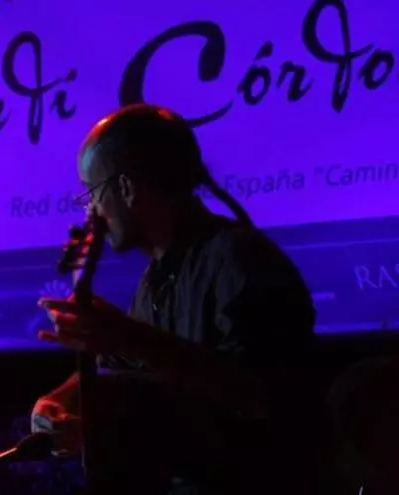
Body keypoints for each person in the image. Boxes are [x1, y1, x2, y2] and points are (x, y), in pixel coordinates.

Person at [31, 104, 330, 494]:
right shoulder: (157, 279)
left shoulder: (239, 259)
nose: (92, 213)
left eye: (94, 194)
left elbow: (261, 395)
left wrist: (126, 335)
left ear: (126, 189)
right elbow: (119, 363)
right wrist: (57, 401)